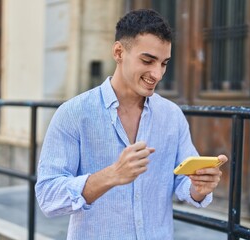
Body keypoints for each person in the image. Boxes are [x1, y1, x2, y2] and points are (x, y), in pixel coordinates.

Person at [35, 8, 228, 240]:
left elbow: (183, 182)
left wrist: (200, 186)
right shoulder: (73, 114)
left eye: (164, 63)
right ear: (118, 52)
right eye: (148, 60)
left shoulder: (172, 115)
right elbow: (48, 196)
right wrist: (111, 175)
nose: (157, 74)